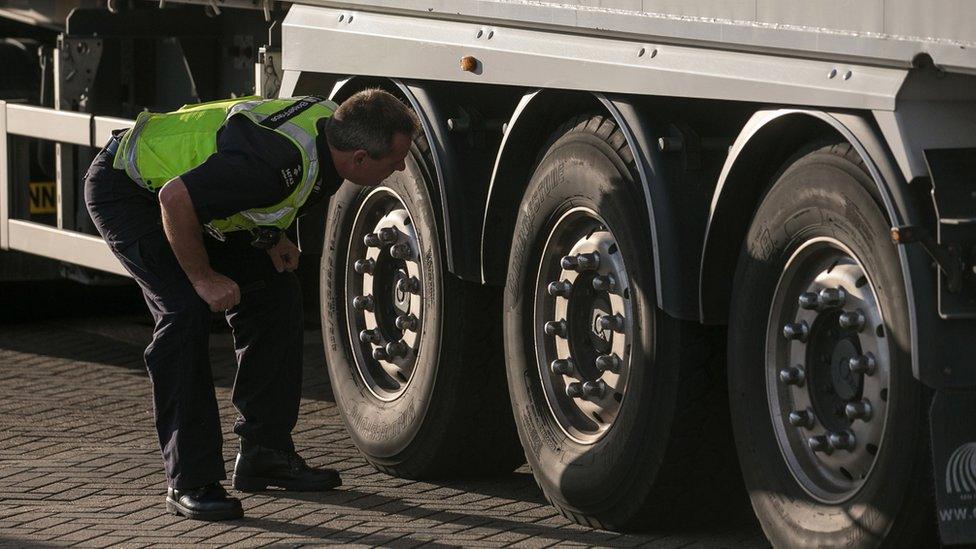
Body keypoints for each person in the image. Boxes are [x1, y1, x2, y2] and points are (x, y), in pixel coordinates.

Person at [83, 89, 420, 521]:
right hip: (133, 192)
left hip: (192, 198)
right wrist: (203, 278)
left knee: (276, 292)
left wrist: (270, 238)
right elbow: (176, 199)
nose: (401, 166)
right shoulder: (273, 164)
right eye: (395, 158)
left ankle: (265, 452)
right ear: (358, 158)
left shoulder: (328, 132)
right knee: (184, 312)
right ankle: (190, 481)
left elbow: (250, 195)